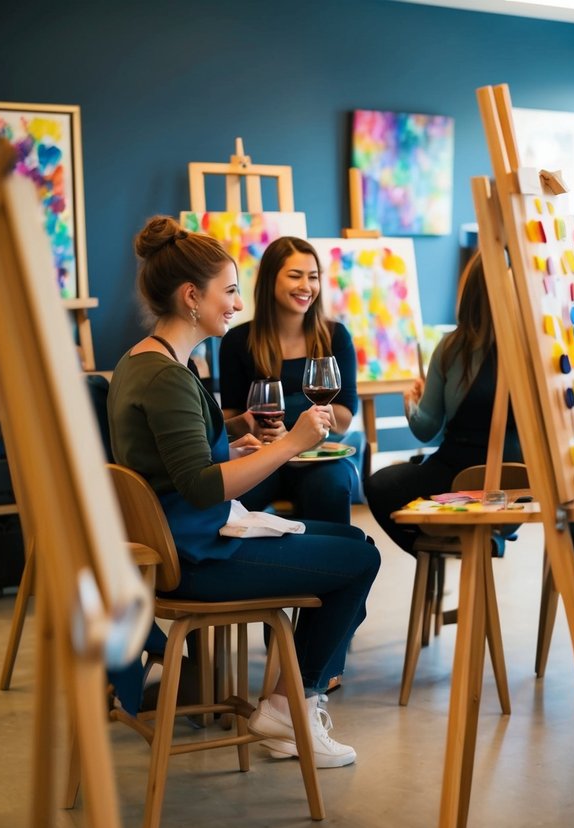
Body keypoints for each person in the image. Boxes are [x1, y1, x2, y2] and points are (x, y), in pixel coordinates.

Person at [107, 216, 380, 768]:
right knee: (359, 557)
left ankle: (291, 699)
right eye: (228, 290)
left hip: (181, 542)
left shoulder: (146, 362)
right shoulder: (167, 378)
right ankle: (290, 703)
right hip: (199, 554)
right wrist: (290, 442)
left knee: (350, 541)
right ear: (191, 297)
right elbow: (203, 486)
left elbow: (176, 460)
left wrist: (233, 433)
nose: (235, 303)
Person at [365, 251, 520, 555]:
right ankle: (451, 547)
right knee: (386, 483)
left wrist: (411, 404)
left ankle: (451, 546)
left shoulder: (459, 347)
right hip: (485, 472)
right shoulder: (458, 347)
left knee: (381, 486)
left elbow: (427, 430)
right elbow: (429, 431)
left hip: (485, 473)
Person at [218, 236, 360, 524]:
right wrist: (253, 427)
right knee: (233, 501)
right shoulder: (237, 341)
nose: (306, 286)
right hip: (262, 456)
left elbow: (344, 418)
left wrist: (298, 432)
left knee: (331, 487)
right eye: (295, 276)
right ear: (271, 280)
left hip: (318, 457)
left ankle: (333, 564)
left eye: (313, 277)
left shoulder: (335, 337)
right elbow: (231, 415)